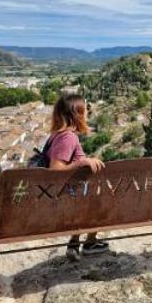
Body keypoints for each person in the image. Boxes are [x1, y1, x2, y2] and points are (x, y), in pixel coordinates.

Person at [43, 93, 109, 257]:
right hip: (66, 201)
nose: (87, 113)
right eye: (85, 109)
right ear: (76, 114)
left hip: (67, 196)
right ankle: (90, 243)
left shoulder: (57, 135)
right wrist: (81, 163)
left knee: (86, 194)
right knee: (102, 198)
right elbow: (55, 170)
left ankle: (74, 243)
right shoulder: (68, 138)